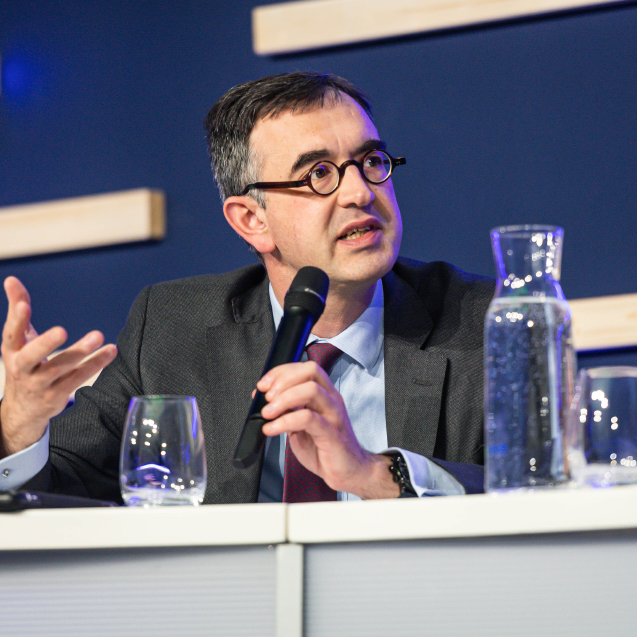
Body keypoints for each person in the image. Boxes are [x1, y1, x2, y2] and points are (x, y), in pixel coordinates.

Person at [0, 72, 493, 503]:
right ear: (252, 220)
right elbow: (60, 489)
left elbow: (531, 488)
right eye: (319, 173)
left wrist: (374, 474)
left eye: (371, 160)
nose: (360, 192)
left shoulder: (487, 324)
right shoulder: (172, 330)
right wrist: (19, 425)